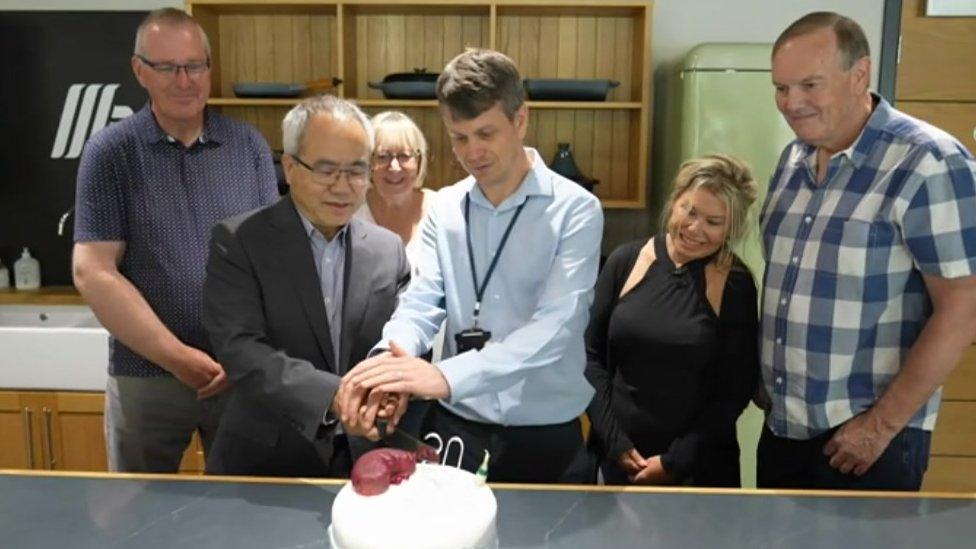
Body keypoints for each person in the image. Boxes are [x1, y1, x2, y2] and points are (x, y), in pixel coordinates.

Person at [337, 48, 604, 483]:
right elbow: (421, 302)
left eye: (486, 133)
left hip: (545, 436)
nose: (472, 152)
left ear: (521, 119)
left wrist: (442, 375)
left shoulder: (576, 210)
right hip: (455, 428)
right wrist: (391, 360)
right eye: (459, 137)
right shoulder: (445, 209)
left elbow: (556, 328)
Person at [758, 12, 976, 490]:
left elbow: (964, 308)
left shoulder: (928, 161)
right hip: (783, 429)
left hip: (867, 443)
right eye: (781, 88)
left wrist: (878, 427)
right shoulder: (792, 160)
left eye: (810, 85)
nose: (792, 103)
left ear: (860, 74)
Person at [72, 8, 278, 473]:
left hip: (238, 373)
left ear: (209, 67)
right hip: (147, 375)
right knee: (137, 519)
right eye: (167, 67)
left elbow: (272, 263)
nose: (184, 80)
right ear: (139, 70)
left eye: (195, 65)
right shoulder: (111, 153)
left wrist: (248, 350)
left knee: (244, 511)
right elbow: (93, 272)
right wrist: (178, 357)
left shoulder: (248, 147)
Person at [201, 95, 411, 477]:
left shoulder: (387, 249)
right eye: (326, 170)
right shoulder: (239, 241)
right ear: (291, 167)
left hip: (366, 457)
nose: (343, 187)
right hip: (267, 462)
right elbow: (241, 351)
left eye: (356, 171)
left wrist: (393, 391)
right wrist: (334, 395)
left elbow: (406, 341)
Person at [585, 155, 759, 487]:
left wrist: (675, 461)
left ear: (731, 227)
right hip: (615, 457)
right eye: (689, 211)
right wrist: (614, 441)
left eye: (713, 221)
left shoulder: (735, 282)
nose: (695, 229)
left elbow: (735, 389)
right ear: (674, 203)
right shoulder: (625, 260)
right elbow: (589, 355)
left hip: (699, 469)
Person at [355, 110, 436, 275]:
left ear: (419, 161)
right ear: (367, 161)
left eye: (404, 156)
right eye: (383, 157)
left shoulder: (440, 209)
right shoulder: (351, 212)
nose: (394, 167)